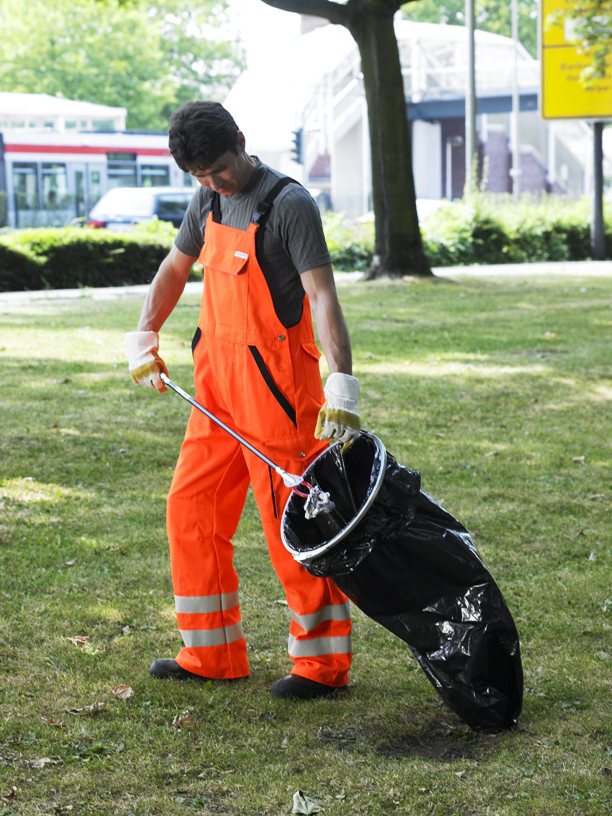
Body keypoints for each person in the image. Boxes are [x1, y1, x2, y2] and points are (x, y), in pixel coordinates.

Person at [124, 101, 361, 699]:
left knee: (293, 525)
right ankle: (210, 652)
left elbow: (323, 297)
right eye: (199, 176)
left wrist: (342, 382)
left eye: (219, 171)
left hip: (279, 395)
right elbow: (175, 270)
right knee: (191, 508)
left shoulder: (290, 205)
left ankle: (321, 665)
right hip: (217, 390)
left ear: (241, 141)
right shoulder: (205, 201)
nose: (212, 183)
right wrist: (144, 334)